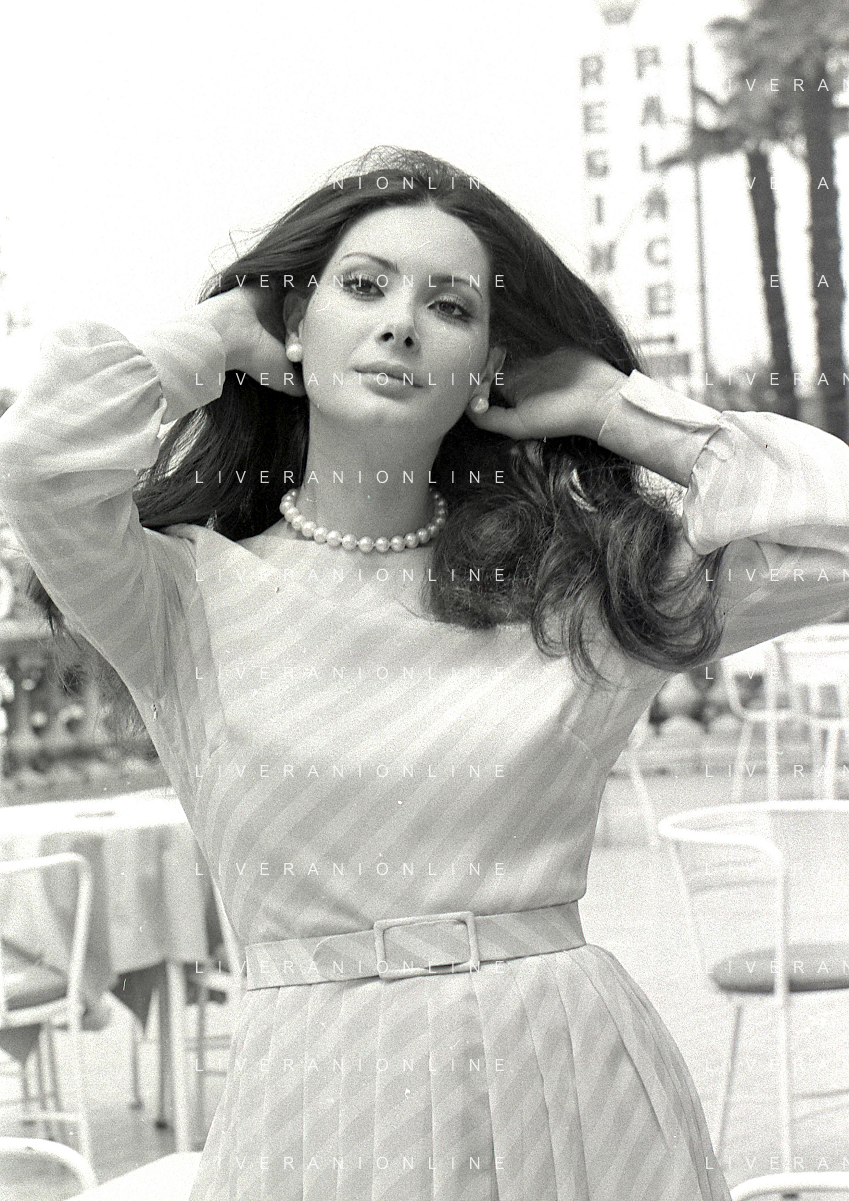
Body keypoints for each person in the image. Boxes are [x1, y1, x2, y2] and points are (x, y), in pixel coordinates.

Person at [1, 146, 848, 1201]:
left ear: (491, 365)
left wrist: (614, 410)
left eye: (450, 306)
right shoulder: (179, 598)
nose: (401, 324)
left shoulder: (578, 593)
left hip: (577, 1096)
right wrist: (218, 336)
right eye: (363, 287)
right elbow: (37, 457)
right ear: (295, 324)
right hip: (319, 1108)